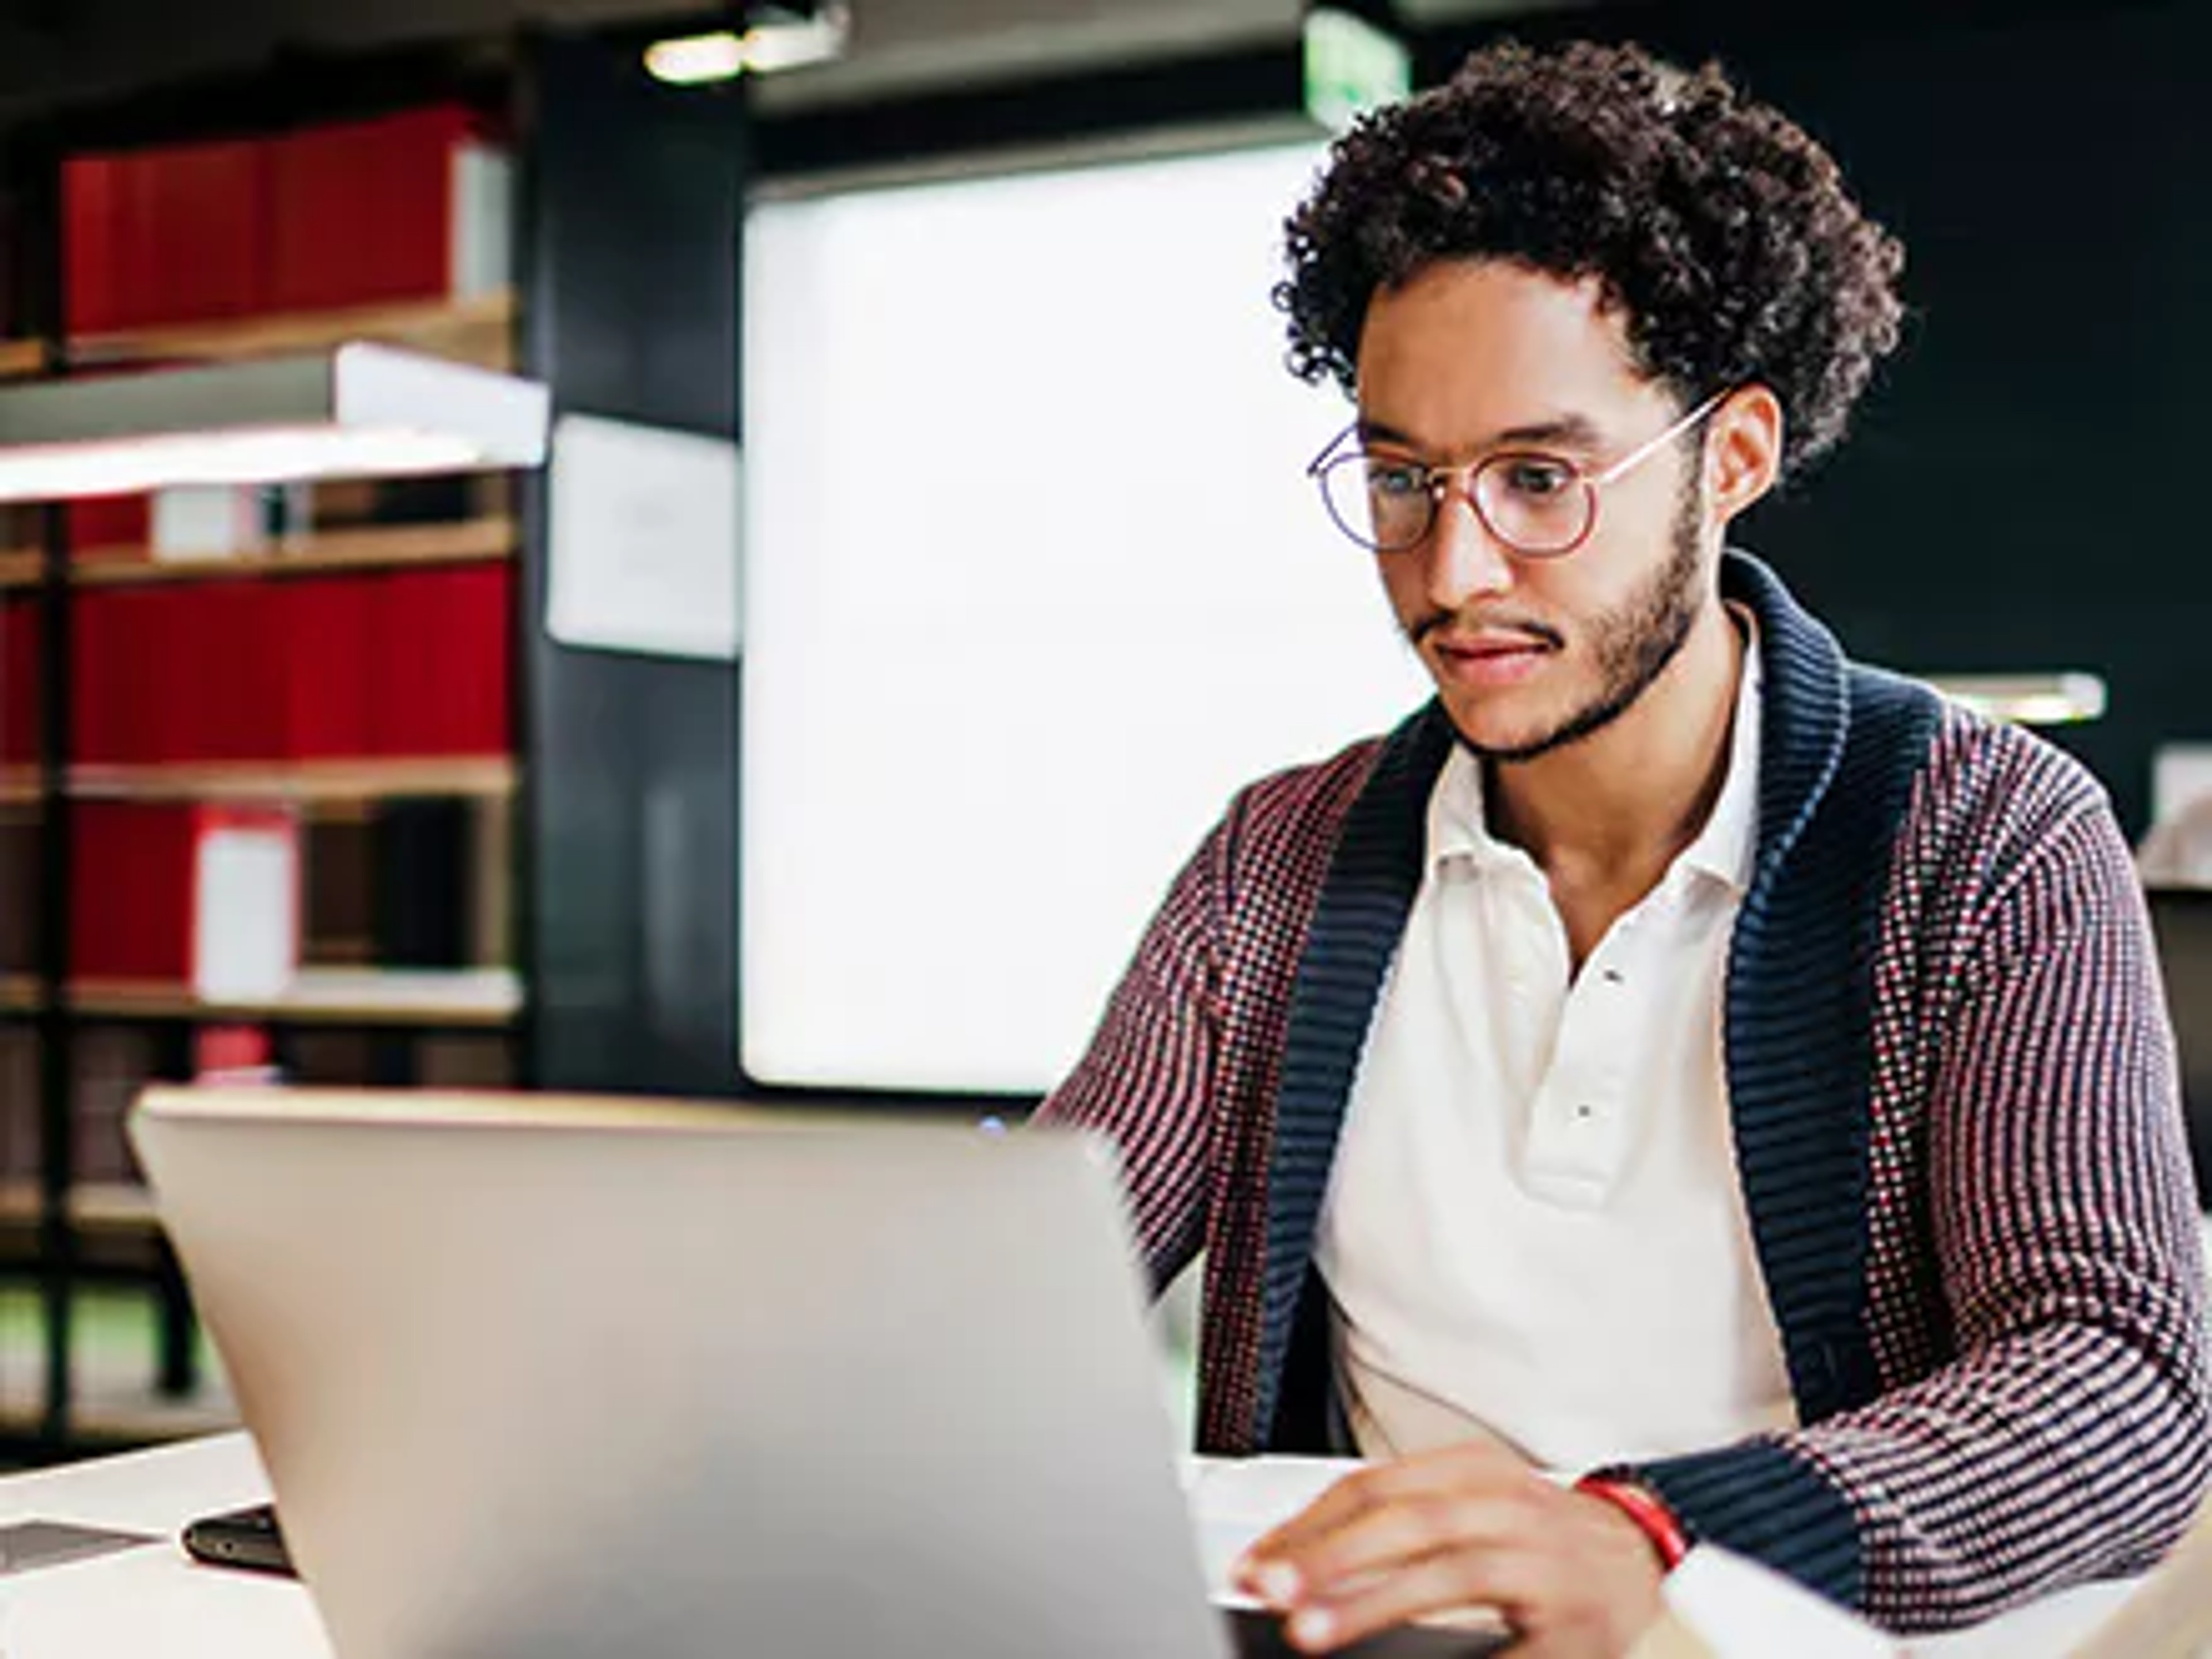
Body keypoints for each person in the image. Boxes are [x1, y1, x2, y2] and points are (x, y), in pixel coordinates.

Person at [1035, 36, 2211, 1658]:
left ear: (1731, 459)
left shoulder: (1985, 837)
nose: (1454, 571)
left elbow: (2122, 1381)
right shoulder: (1278, 859)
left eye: (1539, 478)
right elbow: (1033, 1273)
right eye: (1400, 479)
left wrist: (1651, 1538)